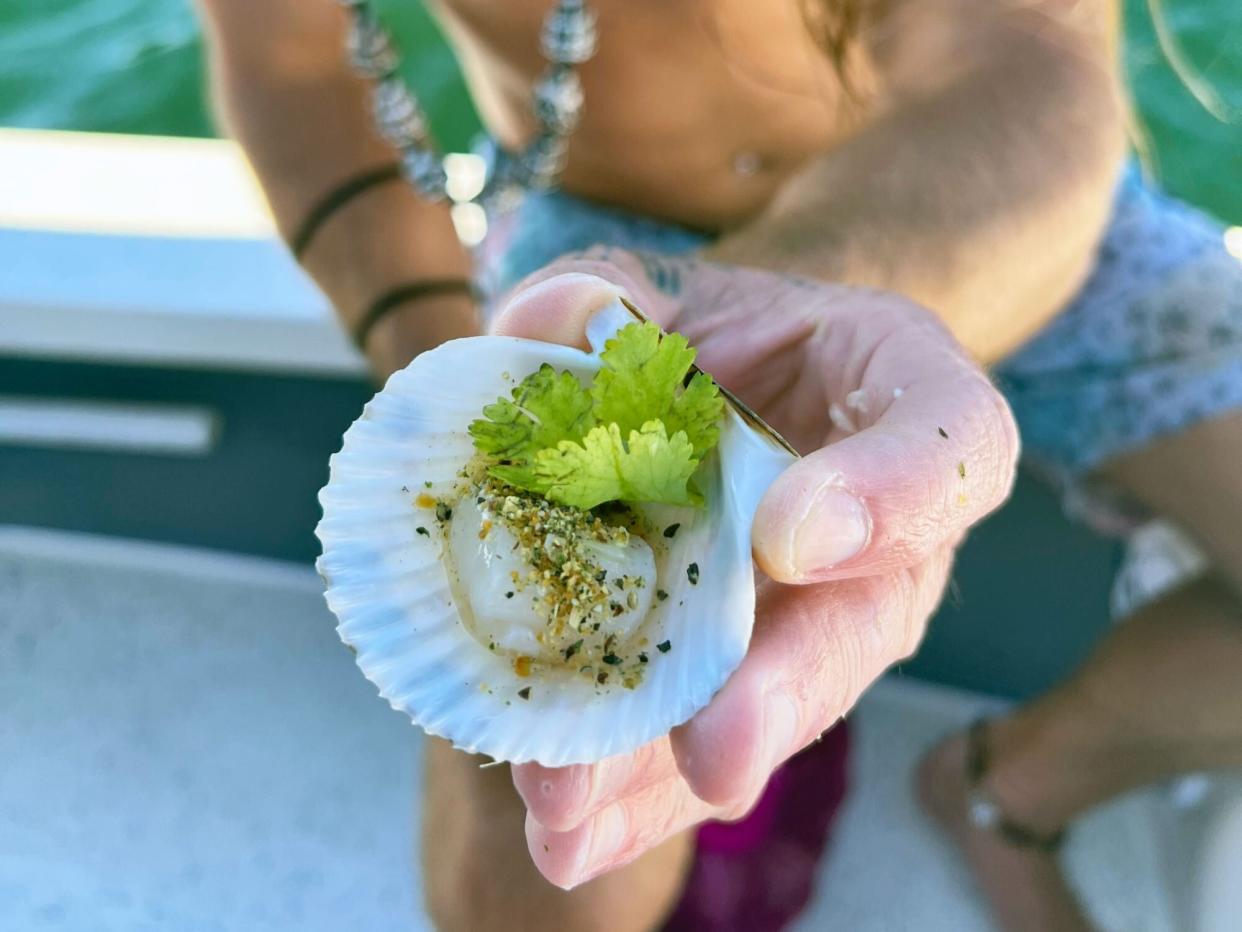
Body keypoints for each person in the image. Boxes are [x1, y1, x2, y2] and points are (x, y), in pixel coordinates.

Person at [195, 1, 1242, 929]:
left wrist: (762, 327)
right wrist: (435, 369)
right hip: (604, 240)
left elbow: (1020, 52)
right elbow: (288, 63)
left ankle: (1009, 789)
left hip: (992, 180)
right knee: (542, 835)